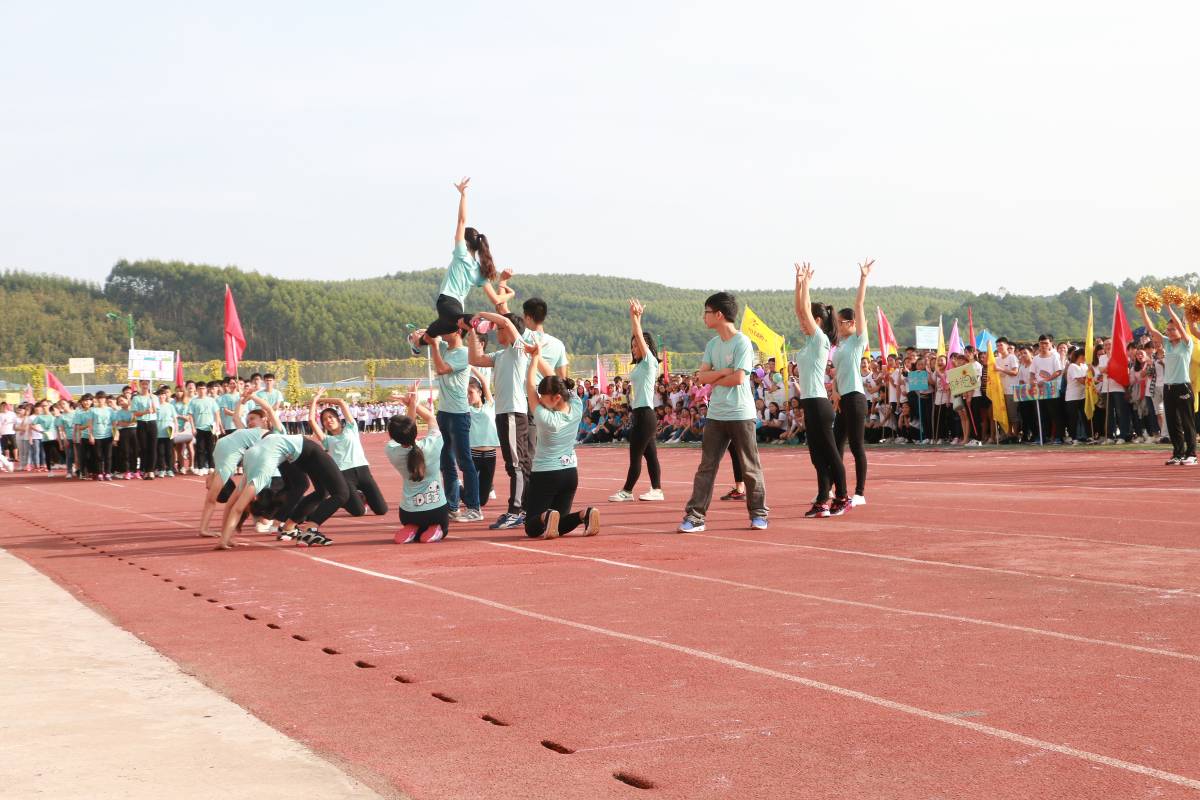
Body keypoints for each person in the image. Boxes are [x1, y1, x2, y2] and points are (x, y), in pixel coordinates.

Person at [678, 291, 768, 532]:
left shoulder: (742, 342)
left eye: (706, 312)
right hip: (716, 414)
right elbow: (701, 377)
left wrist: (716, 376)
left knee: (750, 467)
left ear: (719, 314)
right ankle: (695, 516)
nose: (704, 317)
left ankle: (759, 514)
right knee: (706, 468)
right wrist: (723, 372)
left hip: (741, 414)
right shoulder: (712, 344)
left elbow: (739, 378)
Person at [413, 177, 513, 352]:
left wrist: (463, 195)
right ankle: (417, 343)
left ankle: (475, 320)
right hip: (455, 307)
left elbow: (461, 220)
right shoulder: (480, 271)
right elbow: (497, 300)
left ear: (465, 242)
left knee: (456, 321)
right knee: (435, 330)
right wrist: (511, 293)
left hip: (447, 301)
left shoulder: (461, 253)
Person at [522, 341, 599, 539]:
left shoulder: (545, 418)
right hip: (570, 473)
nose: (540, 399)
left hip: (546, 473)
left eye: (543, 396)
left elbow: (529, 386)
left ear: (556, 397)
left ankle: (546, 516)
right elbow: (556, 380)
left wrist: (534, 360)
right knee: (559, 524)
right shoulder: (576, 405)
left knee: (532, 528)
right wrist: (537, 356)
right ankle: (585, 514)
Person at [793, 263, 851, 517]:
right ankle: (822, 500)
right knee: (817, 456)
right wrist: (798, 282)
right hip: (810, 403)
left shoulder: (820, 339)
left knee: (830, 453)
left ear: (817, 321)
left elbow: (803, 309)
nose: (800, 322)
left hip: (819, 403)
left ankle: (842, 496)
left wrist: (806, 284)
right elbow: (800, 309)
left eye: (806, 320)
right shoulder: (809, 342)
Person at [466, 312, 531, 530]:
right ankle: (522, 509)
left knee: (516, 465)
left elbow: (505, 321)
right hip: (504, 413)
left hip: (513, 413)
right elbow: (475, 359)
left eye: (500, 329)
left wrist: (481, 315)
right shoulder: (501, 355)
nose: (497, 332)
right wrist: (472, 329)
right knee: (516, 463)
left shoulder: (519, 349)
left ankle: (516, 511)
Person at [198, 390, 282, 538]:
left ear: (264, 419)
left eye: (252, 418)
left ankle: (261, 519)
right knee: (221, 497)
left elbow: (269, 409)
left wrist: (252, 397)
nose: (249, 422)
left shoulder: (275, 432)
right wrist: (241, 401)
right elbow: (236, 417)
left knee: (237, 498)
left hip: (269, 477)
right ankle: (211, 529)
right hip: (238, 461)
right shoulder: (247, 434)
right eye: (248, 420)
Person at [423, 327, 483, 522]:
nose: (442, 333)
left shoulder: (464, 353)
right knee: (446, 462)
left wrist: (434, 345)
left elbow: (441, 369)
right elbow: (424, 338)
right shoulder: (445, 348)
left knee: (464, 461)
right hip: (444, 412)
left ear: (457, 331)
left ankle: (474, 507)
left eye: (445, 329)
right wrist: (421, 336)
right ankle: (452, 506)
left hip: (458, 414)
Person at [610, 299, 665, 502]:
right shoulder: (640, 365)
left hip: (645, 414)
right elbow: (638, 336)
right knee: (650, 455)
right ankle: (657, 490)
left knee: (635, 455)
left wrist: (635, 317)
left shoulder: (650, 362)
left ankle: (627, 491)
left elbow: (639, 335)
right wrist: (636, 318)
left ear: (646, 346)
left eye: (636, 345)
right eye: (632, 346)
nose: (633, 348)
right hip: (640, 414)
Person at [304, 388, 389, 518]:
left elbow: (340, 402)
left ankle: (360, 495)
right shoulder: (327, 440)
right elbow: (311, 420)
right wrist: (314, 401)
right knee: (358, 512)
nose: (328, 420)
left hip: (363, 471)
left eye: (331, 417)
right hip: (344, 475)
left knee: (381, 510)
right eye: (325, 420)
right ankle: (346, 497)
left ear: (338, 419)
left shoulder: (351, 428)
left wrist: (320, 398)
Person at [831, 259, 873, 506]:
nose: (837, 326)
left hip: (856, 398)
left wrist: (863, 278)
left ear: (851, 323)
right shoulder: (840, 346)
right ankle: (836, 489)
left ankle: (860, 493)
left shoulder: (858, 341)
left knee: (856, 446)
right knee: (836, 445)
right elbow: (837, 373)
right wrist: (835, 391)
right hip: (842, 398)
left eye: (840, 322)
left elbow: (859, 304)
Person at [387, 385, 450, 543]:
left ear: (392, 436)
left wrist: (411, 406)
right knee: (443, 526)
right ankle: (436, 529)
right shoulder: (432, 445)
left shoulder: (392, 451)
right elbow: (431, 419)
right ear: (414, 429)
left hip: (408, 513)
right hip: (436, 510)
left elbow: (407, 432)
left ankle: (412, 527)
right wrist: (413, 404)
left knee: (413, 520)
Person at [1138, 298, 1197, 465]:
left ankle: (1191, 454)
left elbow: (1179, 324)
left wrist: (1168, 307)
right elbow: (1151, 328)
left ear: (1180, 330)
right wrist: (1142, 309)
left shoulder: (1186, 344)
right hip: (1168, 388)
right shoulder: (1167, 344)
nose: (1169, 332)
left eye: (1172, 329)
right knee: (1172, 422)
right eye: (1168, 329)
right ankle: (1178, 453)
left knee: (1187, 422)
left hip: (1183, 387)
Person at [467, 370, 499, 510]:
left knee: (482, 501)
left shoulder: (490, 405)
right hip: (473, 456)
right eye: (466, 393)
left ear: (480, 392)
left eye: (471, 392)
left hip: (490, 456)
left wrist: (472, 368)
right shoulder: (466, 409)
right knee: (471, 498)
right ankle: (458, 487)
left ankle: (460, 488)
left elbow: (485, 382)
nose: (468, 396)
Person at [130, 380, 159, 478]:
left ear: (149, 385)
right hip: (142, 423)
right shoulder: (136, 398)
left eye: (147, 384)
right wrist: (145, 412)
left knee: (153, 447)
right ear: (140, 385)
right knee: (144, 448)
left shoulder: (154, 397)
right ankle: (145, 470)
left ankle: (151, 470)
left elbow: (155, 410)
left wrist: (152, 400)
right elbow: (135, 413)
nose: (145, 386)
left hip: (152, 423)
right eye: (143, 384)